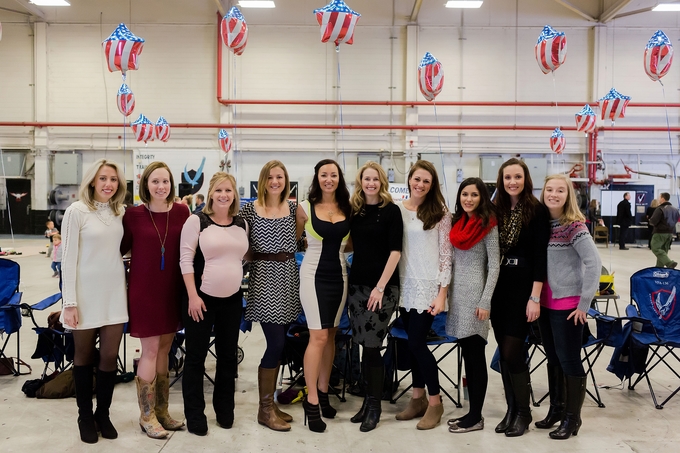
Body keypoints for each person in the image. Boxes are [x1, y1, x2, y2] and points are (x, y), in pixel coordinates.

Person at [60, 158, 128, 444]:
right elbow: (68, 259)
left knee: (110, 357)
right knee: (83, 357)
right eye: (102, 178)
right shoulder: (76, 211)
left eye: (113, 179)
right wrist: (69, 302)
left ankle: (104, 413)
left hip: (114, 293)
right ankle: (85, 416)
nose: (108, 184)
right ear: (92, 181)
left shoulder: (120, 212)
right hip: (85, 294)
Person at [120, 161, 190, 439]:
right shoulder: (133, 215)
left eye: (165, 181)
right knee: (149, 351)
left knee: (165, 349)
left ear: (171, 184)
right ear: (145, 185)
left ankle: (162, 410)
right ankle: (146, 415)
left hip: (172, 290)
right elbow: (121, 249)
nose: (161, 187)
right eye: (155, 182)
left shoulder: (183, 212)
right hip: (144, 291)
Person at [180, 172, 249, 435]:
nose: (223, 195)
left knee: (228, 358)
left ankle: (225, 410)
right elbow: (185, 261)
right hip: (201, 300)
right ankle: (195, 414)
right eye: (219, 190)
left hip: (232, 300)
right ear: (210, 193)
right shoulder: (196, 221)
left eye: (228, 191)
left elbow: (240, 258)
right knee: (196, 357)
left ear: (234, 194)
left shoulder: (242, 223)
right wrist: (193, 296)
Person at [240, 160, 304, 432]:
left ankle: (271, 405)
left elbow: (300, 238)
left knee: (282, 344)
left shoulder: (293, 208)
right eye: (270, 177)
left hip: (289, 277)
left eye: (280, 177)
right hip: (264, 280)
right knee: (275, 344)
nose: (275, 181)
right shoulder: (249, 209)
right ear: (262, 180)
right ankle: (265, 409)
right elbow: (241, 245)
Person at [537, 174, 601, 440]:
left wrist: (584, 304)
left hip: (568, 306)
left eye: (559, 190)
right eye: (549, 189)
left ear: (568, 195)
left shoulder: (574, 226)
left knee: (569, 361)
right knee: (552, 359)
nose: (553, 194)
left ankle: (572, 419)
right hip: (544, 305)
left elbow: (594, 263)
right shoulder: (543, 225)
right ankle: (557, 409)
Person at [490, 157, 549, 437]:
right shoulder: (496, 210)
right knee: (503, 352)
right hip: (498, 288)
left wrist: (535, 297)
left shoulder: (536, 211)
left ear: (526, 179)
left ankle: (523, 413)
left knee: (513, 352)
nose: (512, 182)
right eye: (507, 177)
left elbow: (540, 257)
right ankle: (511, 409)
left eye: (517, 176)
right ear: (501, 181)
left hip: (523, 289)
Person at [394, 160, 452, 430]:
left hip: (428, 288)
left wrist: (442, 293)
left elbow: (446, 257)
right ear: (409, 180)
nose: (420, 184)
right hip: (405, 286)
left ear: (432, 185)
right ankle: (416, 399)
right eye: (417, 179)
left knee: (417, 344)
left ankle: (435, 402)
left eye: (426, 181)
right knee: (410, 343)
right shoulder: (398, 210)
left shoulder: (440, 213)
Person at [347, 162, 403, 432]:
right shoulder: (355, 210)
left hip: (382, 289)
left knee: (371, 346)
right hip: (357, 287)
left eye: (375, 179)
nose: (371, 183)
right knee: (362, 345)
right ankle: (367, 403)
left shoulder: (391, 212)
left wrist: (380, 287)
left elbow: (395, 252)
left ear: (382, 182)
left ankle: (375, 407)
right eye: (366, 179)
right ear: (360, 182)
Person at [298, 159, 351, 433]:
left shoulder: (348, 209)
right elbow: (297, 240)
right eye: (323, 174)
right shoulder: (304, 208)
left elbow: (350, 244)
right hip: (312, 276)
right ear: (317, 178)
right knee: (318, 336)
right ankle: (311, 400)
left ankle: (323, 390)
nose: (328, 179)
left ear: (339, 178)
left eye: (333, 174)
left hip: (339, 276)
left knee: (331, 334)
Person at [446, 177, 500, 434]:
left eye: (474, 195)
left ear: (483, 198)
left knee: (475, 357)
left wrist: (485, 300)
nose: (468, 199)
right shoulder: (458, 223)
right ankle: (471, 412)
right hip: (457, 297)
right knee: (468, 355)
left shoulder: (488, 224)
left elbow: (494, 265)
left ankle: (476, 417)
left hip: (476, 300)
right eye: (464, 194)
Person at [649, 192, 680, 269]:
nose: (659, 199)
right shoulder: (675, 209)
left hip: (659, 232)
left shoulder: (660, 209)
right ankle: (659, 268)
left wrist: (651, 221)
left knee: (655, 248)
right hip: (670, 232)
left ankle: (669, 263)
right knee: (663, 251)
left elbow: (653, 221)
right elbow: (676, 220)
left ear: (663, 198)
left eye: (660, 197)